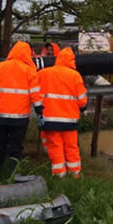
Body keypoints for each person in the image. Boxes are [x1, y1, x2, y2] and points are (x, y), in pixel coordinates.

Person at [0, 41, 42, 178]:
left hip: (0, 116)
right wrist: (40, 111)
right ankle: (13, 172)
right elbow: (35, 94)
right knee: (16, 146)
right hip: (20, 118)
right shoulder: (29, 70)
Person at [38, 47, 87, 178]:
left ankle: (59, 176)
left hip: (49, 120)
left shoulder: (43, 73)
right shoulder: (75, 76)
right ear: (72, 61)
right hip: (69, 121)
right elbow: (82, 101)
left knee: (55, 148)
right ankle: (75, 174)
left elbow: (36, 95)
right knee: (71, 148)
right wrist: (82, 109)